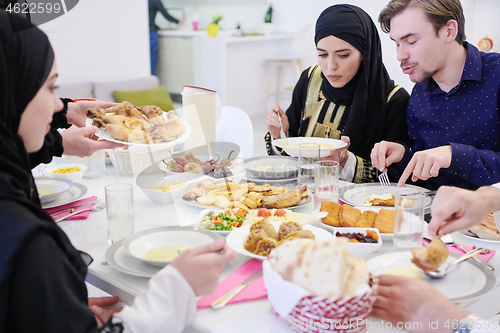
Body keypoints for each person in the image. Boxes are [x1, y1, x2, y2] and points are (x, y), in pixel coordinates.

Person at [0, 11, 234, 333]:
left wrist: (60, 309)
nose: (58, 106)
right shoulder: (22, 238)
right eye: (50, 88)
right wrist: (176, 287)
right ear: (9, 92)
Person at [265, 4, 409, 183]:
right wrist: (281, 135)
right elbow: (288, 161)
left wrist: (347, 163)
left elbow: (396, 179)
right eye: (322, 55)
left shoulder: (393, 100)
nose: (330, 67)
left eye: (343, 55)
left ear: (365, 52)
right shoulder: (310, 79)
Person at [372, 0, 500, 190]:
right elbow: (425, 176)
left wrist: (454, 155)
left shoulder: (496, 74)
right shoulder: (419, 95)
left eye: (411, 41)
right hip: (433, 216)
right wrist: (402, 156)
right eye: (397, 43)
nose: (400, 55)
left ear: (449, 31)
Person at [149, 0, 184, 75]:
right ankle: (153, 83)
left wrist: (156, 26)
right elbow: (166, 15)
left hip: (142, 34)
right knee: (152, 62)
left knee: (145, 63)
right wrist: (178, 21)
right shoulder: (155, 1)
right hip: (151, 34)